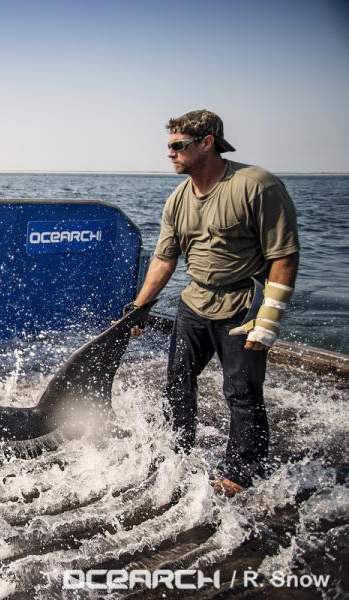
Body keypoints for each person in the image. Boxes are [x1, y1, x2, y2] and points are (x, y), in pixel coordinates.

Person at [129, 109, 300, 496]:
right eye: (168, 146)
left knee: (241, 391)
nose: (170, 153)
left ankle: (242, 473)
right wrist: (138, 307)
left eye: (178, 145)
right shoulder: (177, 200)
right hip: (194, 303)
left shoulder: (256, 185)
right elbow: (164, 259)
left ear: (207, 142)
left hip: (243, 306)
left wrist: (269, 318)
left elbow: (284, 255)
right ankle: (174, 452)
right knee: (177, 383)